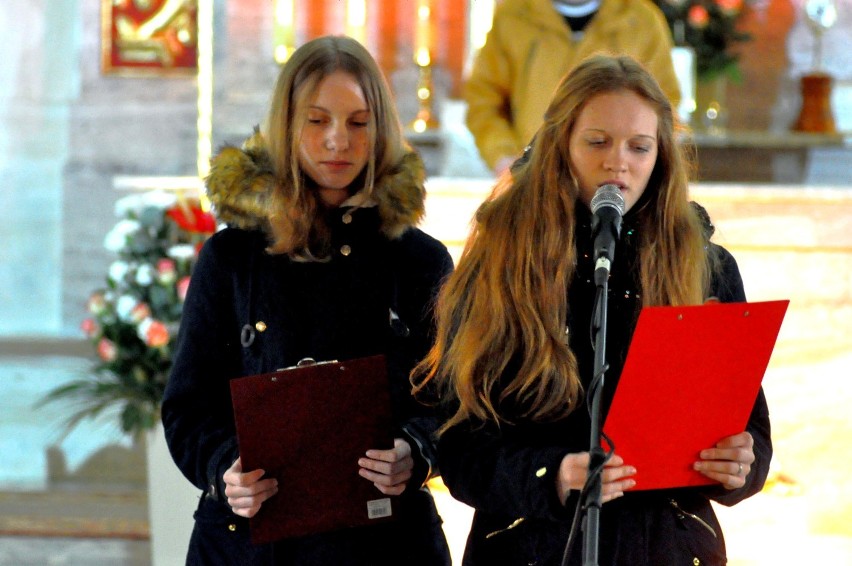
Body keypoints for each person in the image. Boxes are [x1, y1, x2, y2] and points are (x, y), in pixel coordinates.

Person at [415, 54, 771, 565]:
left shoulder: (707, 268)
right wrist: (554, 475)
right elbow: (459, 449)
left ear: (661, 157)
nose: (618, 162)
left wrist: (742, 466)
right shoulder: (500, 262)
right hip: (530, 546)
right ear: (561, 146)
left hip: (664, 546)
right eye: (597, 142)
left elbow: (751, 431)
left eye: (639, 147)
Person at [161, 35, 453, 565]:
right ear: (287, 125)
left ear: (381, 129)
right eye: (317, 121)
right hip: (252, 546)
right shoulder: (231, 257)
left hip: (387, 546)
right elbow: (188, 407)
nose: (338, 141)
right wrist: (225, 468)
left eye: (358, 123)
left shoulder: (421, 261)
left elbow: (456, 401)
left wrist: (416, 452)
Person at [465, 0, 682, 175]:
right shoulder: (512, 17)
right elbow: (483, 102)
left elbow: (663, 107)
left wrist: (639, 162)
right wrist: (505, 157)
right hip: (534, 177)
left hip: (615, 177)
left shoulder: (641, 20)